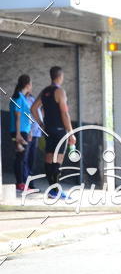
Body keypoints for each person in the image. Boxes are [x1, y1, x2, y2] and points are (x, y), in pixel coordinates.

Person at [30, 66, 75, 199]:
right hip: (60, 130)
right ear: (60, 77)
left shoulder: (44, 91)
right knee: (57, 161)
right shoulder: (60, 91)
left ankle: (52, 190)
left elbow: (33, 108)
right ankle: (56, 191)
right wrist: (71, 132)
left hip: (48, 129)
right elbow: (65, 113)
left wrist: (41, 124)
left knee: (49, 160)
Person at [9, 74, 34, 193]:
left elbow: (26, 117)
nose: (32, 86)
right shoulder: (18, 97)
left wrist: (29, 131)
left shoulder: (22, 97)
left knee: (22, 158)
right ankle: (20, 184)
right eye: (31, 84)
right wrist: (18, 134)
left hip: (24, 131)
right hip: (19, 132)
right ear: (27, 85)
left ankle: (21, 183)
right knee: (21, 158)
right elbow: (18, 117)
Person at [24, 90, 43, 191]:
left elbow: (38, 111)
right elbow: (26, 116)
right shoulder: (24, 100)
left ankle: (31, 183)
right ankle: (25, 182)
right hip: (29, 133)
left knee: (31, 159)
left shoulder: (32, 99)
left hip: (36, 133)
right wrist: (30, 131)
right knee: (26, 159)